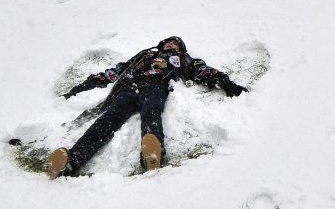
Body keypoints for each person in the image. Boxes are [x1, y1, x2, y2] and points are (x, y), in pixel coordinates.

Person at [47, 36, 248, 178]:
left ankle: (153, 155)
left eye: (176, 43)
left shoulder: (183, 60)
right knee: (106, 121)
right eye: (169, 41)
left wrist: (227, 84)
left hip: (156, 87)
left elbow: (204, 71)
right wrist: (83, 87)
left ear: (181, 49)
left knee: (152, 112)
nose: (171, 43)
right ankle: (71, 161)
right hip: (127, 90)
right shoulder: (144, 54)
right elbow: (114, 72)